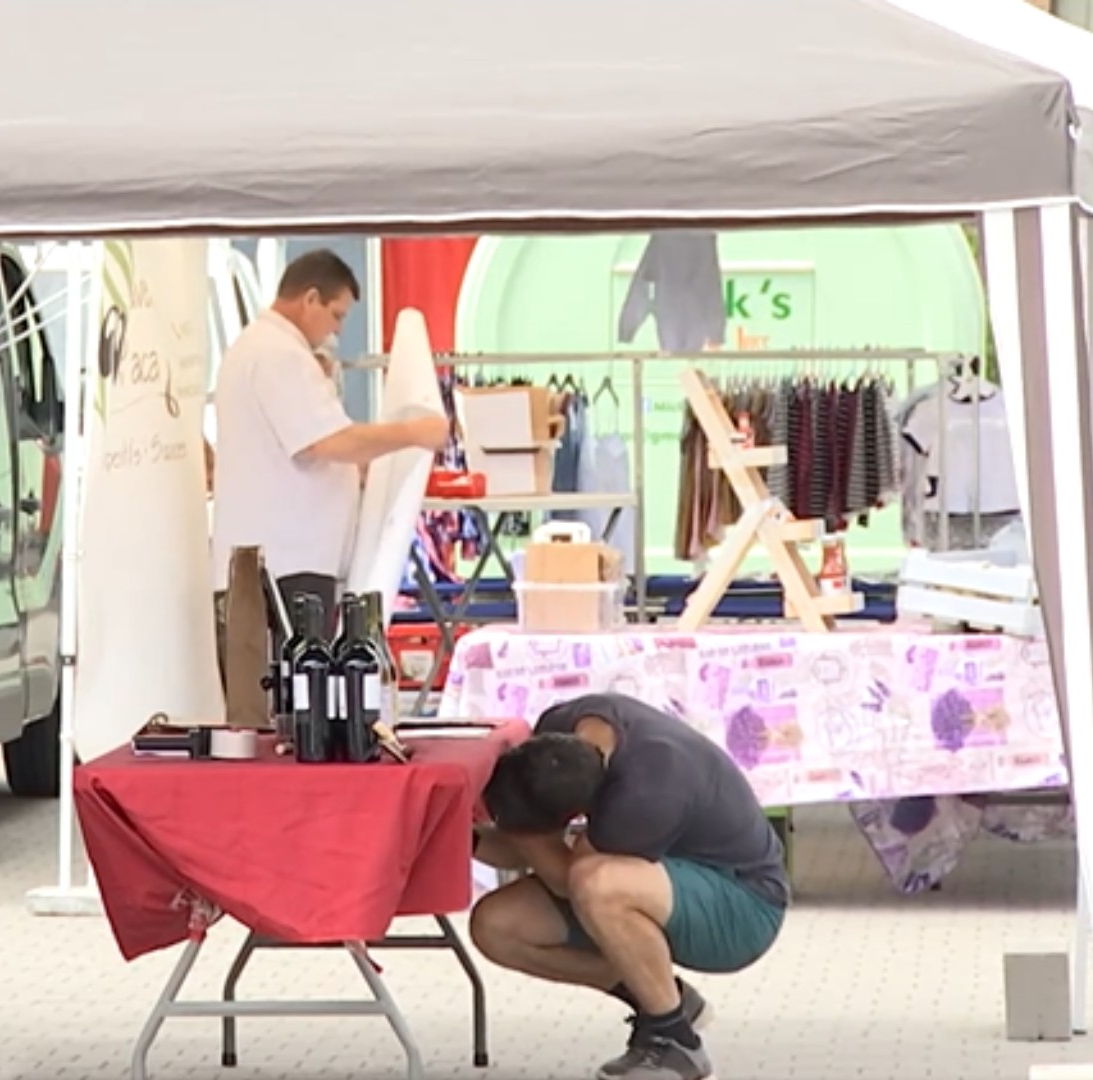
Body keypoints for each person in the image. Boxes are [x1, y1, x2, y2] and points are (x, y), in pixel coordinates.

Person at [472, 692, 789, 1080]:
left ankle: (675, 1044)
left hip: (744, 906)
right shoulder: (562, 729)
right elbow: (526, 848)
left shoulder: (643, 796)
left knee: (598, 884)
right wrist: (461, 838)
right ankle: (668, 1001)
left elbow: (564, 878)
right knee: (497, 926)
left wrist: (517, 830)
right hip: (662, 878)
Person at [210, 248, 449, 621]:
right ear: (310, 299)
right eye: (336, 315)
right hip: (286, 565)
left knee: (270, 675)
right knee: (294, 677)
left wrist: (355, 471)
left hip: (276, 559)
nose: (337, 329)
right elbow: (330, 442)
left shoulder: (256, 349)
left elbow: (306, 446)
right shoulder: (281, 356)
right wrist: (414, 432)